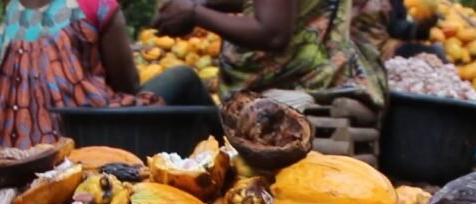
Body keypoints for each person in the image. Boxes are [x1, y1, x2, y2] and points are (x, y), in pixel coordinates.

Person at [0, 0, 213, 150]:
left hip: (10, 143)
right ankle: (229, 150)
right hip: (80, 136)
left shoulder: (13, 8)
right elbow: (128, 85)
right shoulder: (98, 5)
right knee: (184, 76)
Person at [153, 0, 387, 109]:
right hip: (333, 69)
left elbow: (273, 33)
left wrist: (195, 14)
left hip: (301, 80)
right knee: (182, 79)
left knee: (178, 82)